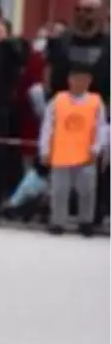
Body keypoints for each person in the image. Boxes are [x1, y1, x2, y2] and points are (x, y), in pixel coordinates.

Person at [40, 60, 106, 236]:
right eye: (76, 78)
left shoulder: (95, 101)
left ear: (89, 81)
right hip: (61, 153)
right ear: (69, 80)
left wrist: (97, 148)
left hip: (85, 155)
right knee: (59, 191)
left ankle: (86, 221)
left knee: (87, 191)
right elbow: (48, 126)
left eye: (84, 79)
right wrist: (45, 150)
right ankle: (57, 221)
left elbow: (101, 128)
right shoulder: (58, 100)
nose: (79, 82)